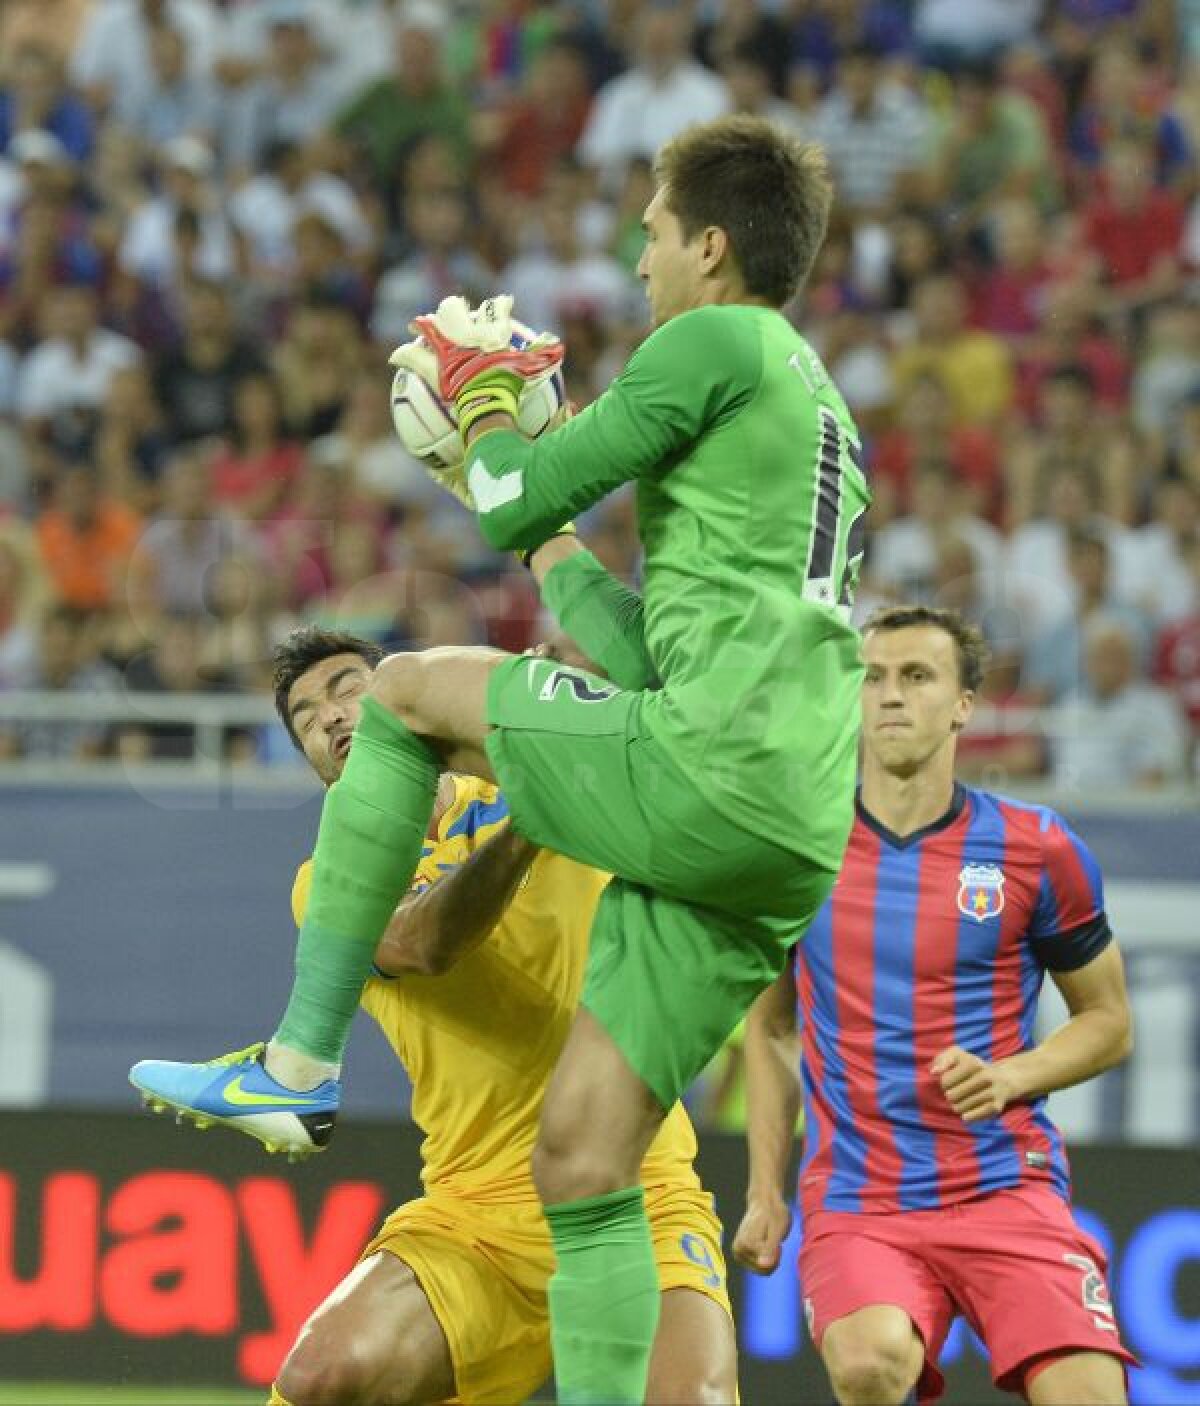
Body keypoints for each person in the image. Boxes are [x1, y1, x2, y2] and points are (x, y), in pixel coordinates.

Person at [131, 114, 870, 1404]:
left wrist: (481, 412)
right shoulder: (811, 405)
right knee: (585, 1155)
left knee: (408, 688)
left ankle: (297, 1063)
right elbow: (631, 643)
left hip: (714, 764)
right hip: (784, 817)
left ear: (709, 243)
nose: (639, 264)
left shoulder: (712, 335)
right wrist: (527, 511)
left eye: (649, 235)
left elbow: (522, 490)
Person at [167, 624, 735, 1406]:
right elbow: (425, 943)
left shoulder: (525, 775)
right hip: (479, 1213)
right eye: (304, 718)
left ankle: (290, 1075)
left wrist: (557, 706)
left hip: (638, 1183)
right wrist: (533, 826)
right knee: (321, 1378)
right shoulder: (324, 885)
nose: (329, 718)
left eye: (345, 689)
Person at [734, 605, 1137, 1406]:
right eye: (873, 678)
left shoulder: (1037, 847)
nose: (890, 696)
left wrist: (1014, 1075)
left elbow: (1109, 1021)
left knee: (1091, 1395)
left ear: (963, 705)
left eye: (917, 677)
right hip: (860, 1196)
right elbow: (772, 1025)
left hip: (1004, 1187)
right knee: (870, 1361)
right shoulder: (798, 848)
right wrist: (764, 1192)